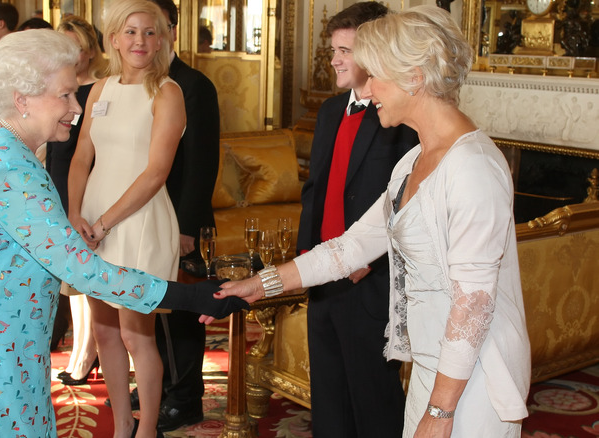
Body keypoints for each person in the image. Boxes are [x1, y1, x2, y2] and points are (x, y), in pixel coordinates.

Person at [0, 28, 246, 437]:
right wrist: (190, 295)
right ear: (22, 99)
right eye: (65, 95)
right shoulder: (9, 169)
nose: (77, 108)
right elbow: (85, 270)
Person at [213, 6, 531, 438]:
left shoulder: (473, 168)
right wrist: (263, 284)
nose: (368, 87)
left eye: (376, 74)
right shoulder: (412, 161)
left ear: (414, 77)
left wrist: (440, 413)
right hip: (432, 370)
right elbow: (351, 246)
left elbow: (472, 305)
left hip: (473, 383)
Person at [295, 3, 419, 436]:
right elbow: (316, 191)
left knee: (373, 400)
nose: (334, 59)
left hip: (369, 280)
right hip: (324, 274)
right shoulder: (330, 110)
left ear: (374, 54)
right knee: (327, 396)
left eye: (345, 50)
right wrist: (305, 259)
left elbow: (406, 200)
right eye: (334, 49)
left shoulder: (399, 118)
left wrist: (373, 260)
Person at [66, 0, 185, 435]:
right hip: (92, 219)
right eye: (131, 32)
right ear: (113, 39)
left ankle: (147, 428)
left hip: (138, 221)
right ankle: (121, 426)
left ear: (162, 39)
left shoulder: (167, 92)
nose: (141, 41)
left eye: (150, 32)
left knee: (137, 334)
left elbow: (155, 172)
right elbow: (80, 158)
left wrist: (104, 223)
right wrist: (75, 214)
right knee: (105, 331)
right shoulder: (98, 90)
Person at [145, 0, 220, 433]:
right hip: (145, 218)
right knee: (151, 305)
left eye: (153, 28)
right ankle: (164, 383)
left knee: (184, 312)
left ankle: (187, 397)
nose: (145, 39)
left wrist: (187, 228)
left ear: (171, 30)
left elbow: (202, 162)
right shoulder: (136, 84)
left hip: (182, 221)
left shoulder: (194, 85)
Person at [46, 16, 106, 386]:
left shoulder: (98, 92)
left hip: (84, 190)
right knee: (70, 281)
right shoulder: (56, 90)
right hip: (56, 182)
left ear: (89, 51)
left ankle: (87, 353)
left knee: (85, 278)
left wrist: (77, 203)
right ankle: (81, 351)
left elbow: (90, 154)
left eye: (75, 47)